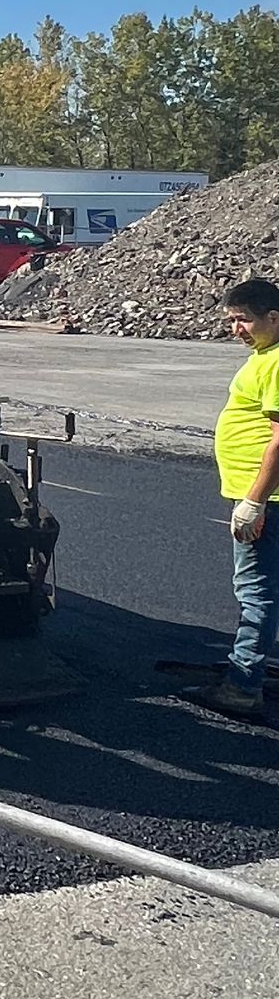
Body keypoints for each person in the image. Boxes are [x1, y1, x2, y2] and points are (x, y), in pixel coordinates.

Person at [184, 275, 279, 718]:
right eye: (232, 320)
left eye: (244, 320)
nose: (236, 329)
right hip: (262, 496)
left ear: (273, 318)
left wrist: (254, 500)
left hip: (267, 501)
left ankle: (242, 685)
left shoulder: (277, 361)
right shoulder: (265, 355)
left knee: (256, 590)